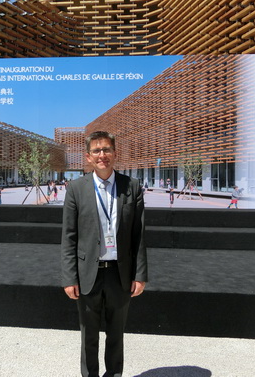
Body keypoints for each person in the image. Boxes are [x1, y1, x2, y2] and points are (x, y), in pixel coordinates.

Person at [61, 131, 147, 377]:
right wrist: (69, 278)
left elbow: (138, 235)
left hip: (120, 274)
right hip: (89, 274)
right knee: (88, 336)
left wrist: (140, 274)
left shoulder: (131, 187)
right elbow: (69, 236)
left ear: (115, 153)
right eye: (96, 151)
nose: (102, 155)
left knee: (116, 335)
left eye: (107, 149)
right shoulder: (76, 189)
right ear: (88, 157)